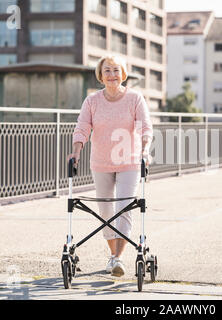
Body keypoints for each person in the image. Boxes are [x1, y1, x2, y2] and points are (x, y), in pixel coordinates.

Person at [67, 54, 153, 277]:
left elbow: (145, 128)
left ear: (123, 74)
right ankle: (113, 255)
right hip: (101, 162)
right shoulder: (92, 101)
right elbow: (82, 127)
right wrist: (76, 151)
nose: (112, 74)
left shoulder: (135, 99)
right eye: (107, 70)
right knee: (105, 211)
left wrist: (145, 149)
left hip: (129, 162)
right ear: (100, 75)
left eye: (116, 70)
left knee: (123, 206)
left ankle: (118, 259)